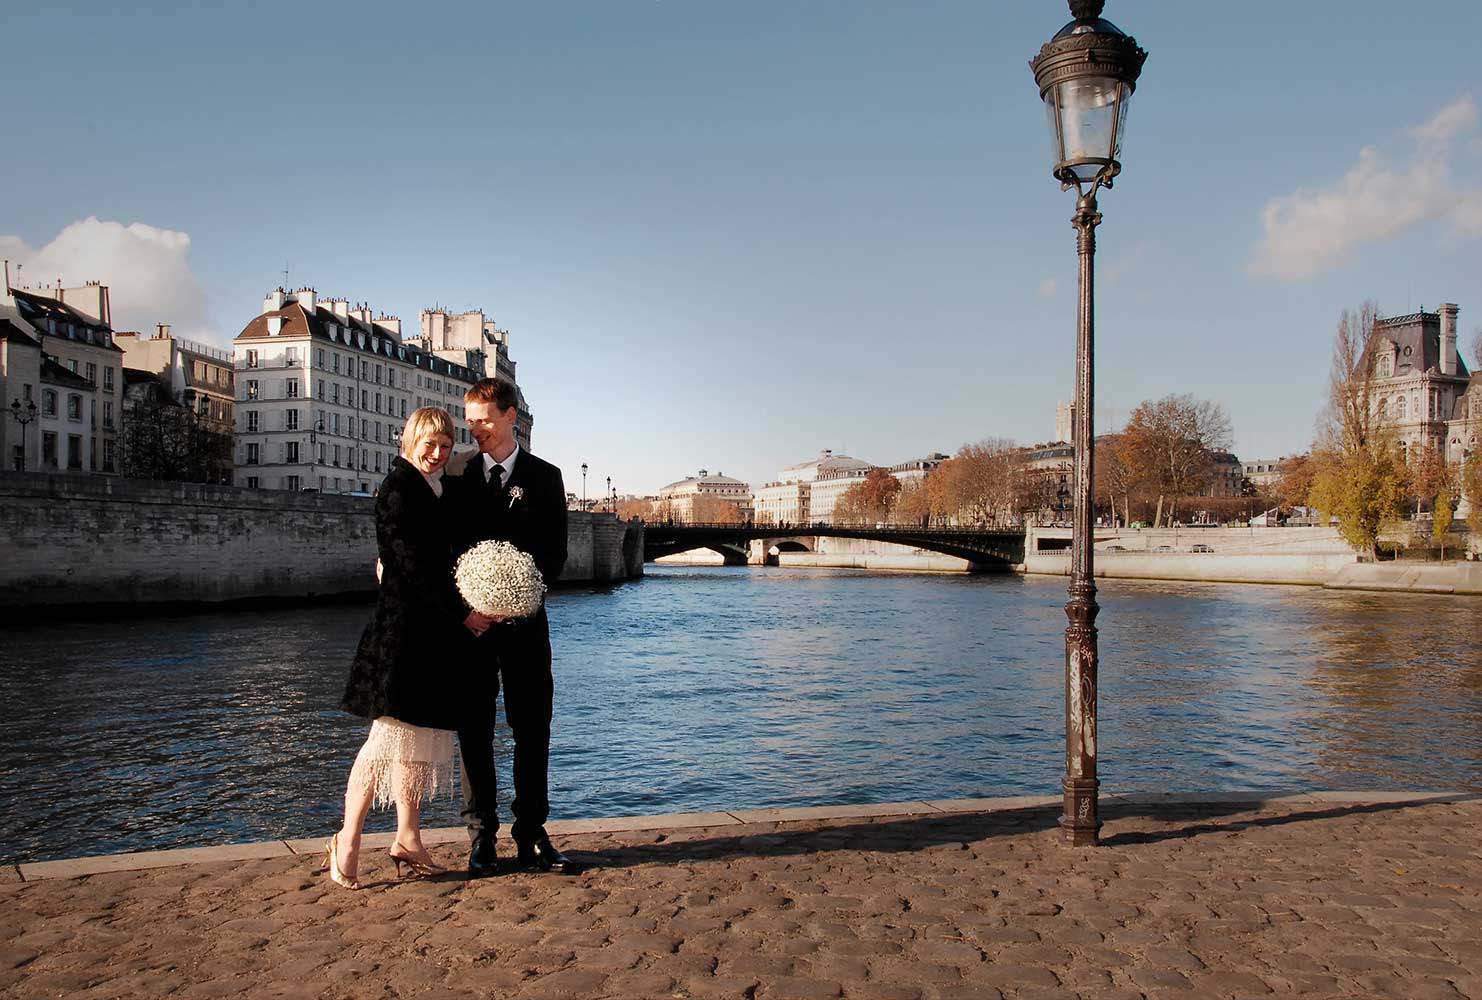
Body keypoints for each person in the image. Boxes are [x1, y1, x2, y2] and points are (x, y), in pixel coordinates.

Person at [329, 407, 494, 889]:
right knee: (386, 741)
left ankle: (407, 838)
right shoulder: (399, 488)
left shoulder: (437, 487)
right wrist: (465, 612)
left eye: (445, 444)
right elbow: (414, 567)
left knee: (417, 742)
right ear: (410, 439)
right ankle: (348, 839)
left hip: (433, 634)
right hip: (403, 633)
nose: (438, 452)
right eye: (430, 443)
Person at [445, 378, 576, 876]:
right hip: (472, 627)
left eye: (482, 419)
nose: (473, 428)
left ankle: (532, 833)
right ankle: (481, 836)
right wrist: (470, 608)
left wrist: (516, 597)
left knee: (532, 727)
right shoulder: (456, 472)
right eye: (469, 419)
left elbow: (555, 552)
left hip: (524, 624)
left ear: (509, 418)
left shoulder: (546, 477)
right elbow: (445, 549)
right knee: (474, 730)